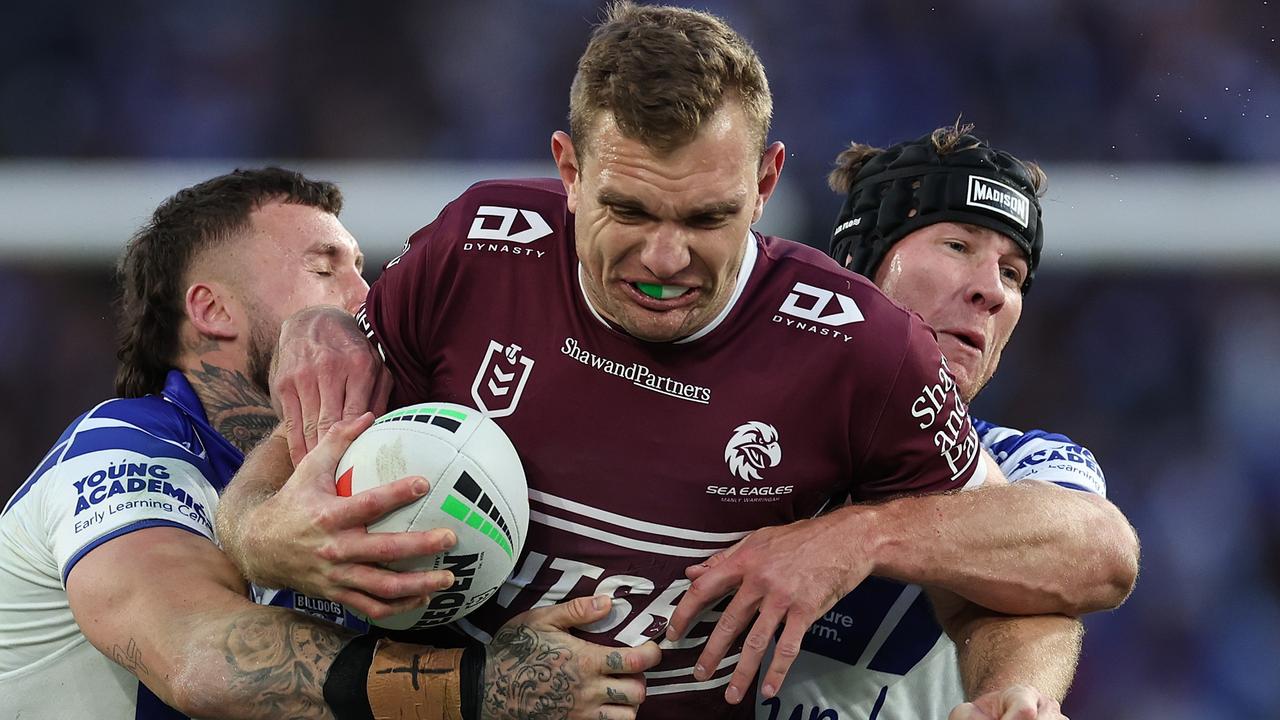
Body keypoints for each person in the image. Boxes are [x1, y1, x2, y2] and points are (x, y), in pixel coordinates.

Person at [219, 4, 1133, 719]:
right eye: (629, 213)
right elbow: (277, 481)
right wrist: (269, 537)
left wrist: (1003, 684)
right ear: (568, 169)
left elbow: (1049, 572)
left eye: (705, 219)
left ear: (767, 184)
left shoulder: (859, 346)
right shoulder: (477, 247)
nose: (664, 262)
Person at [0, 167, 657, 720]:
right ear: (212, 311)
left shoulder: (380, 472)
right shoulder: (123, 448)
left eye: (364, 270)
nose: (364, 298)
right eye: (325, 269)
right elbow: (199, 658)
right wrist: (480, 685)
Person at [749, 126, 1136, 720]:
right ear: (858, 264)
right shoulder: (741, 424)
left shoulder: (1022, 465)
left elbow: (1099, 554)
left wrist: (1012, 695)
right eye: (958, 246)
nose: (992, 292)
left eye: (1012, 273)